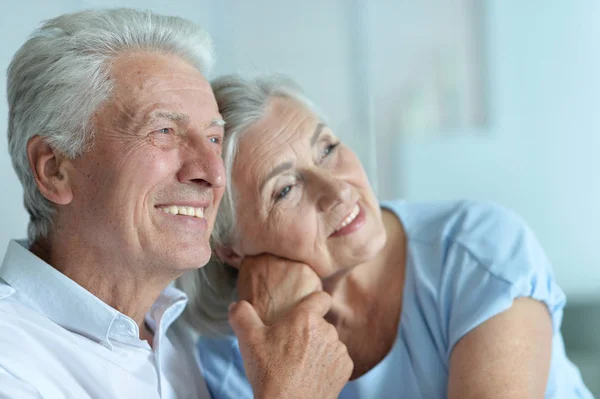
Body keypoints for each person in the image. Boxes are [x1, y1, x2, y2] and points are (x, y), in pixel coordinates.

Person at [0, 9, 351, 398]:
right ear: (54, 169)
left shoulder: (172, 333)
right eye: (164, 131)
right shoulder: (11, 363)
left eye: (213, 139)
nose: (213, 174)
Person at [176, 74, 594, 398]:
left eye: (327, 148)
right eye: (285, 190)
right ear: (230, 249)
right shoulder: (229, 353)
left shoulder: (476, 249)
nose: (338, 190)